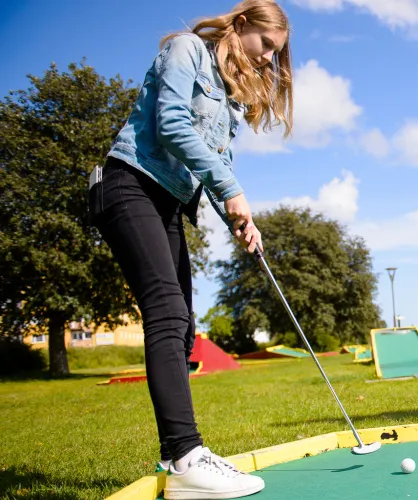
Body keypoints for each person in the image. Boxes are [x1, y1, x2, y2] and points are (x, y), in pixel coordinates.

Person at [89, 1, 292, 498]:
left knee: (182, 328)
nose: (268, 59)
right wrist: (231, 189)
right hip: (127, 184)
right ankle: (187, 455)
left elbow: (211, 166)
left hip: (166, 201)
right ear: (242, 25)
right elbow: (173, 126)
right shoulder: (185, 51)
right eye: (266, 45)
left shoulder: (227, 99)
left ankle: (176, 460)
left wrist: (241, 220)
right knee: (165, 312)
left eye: (275, 53)